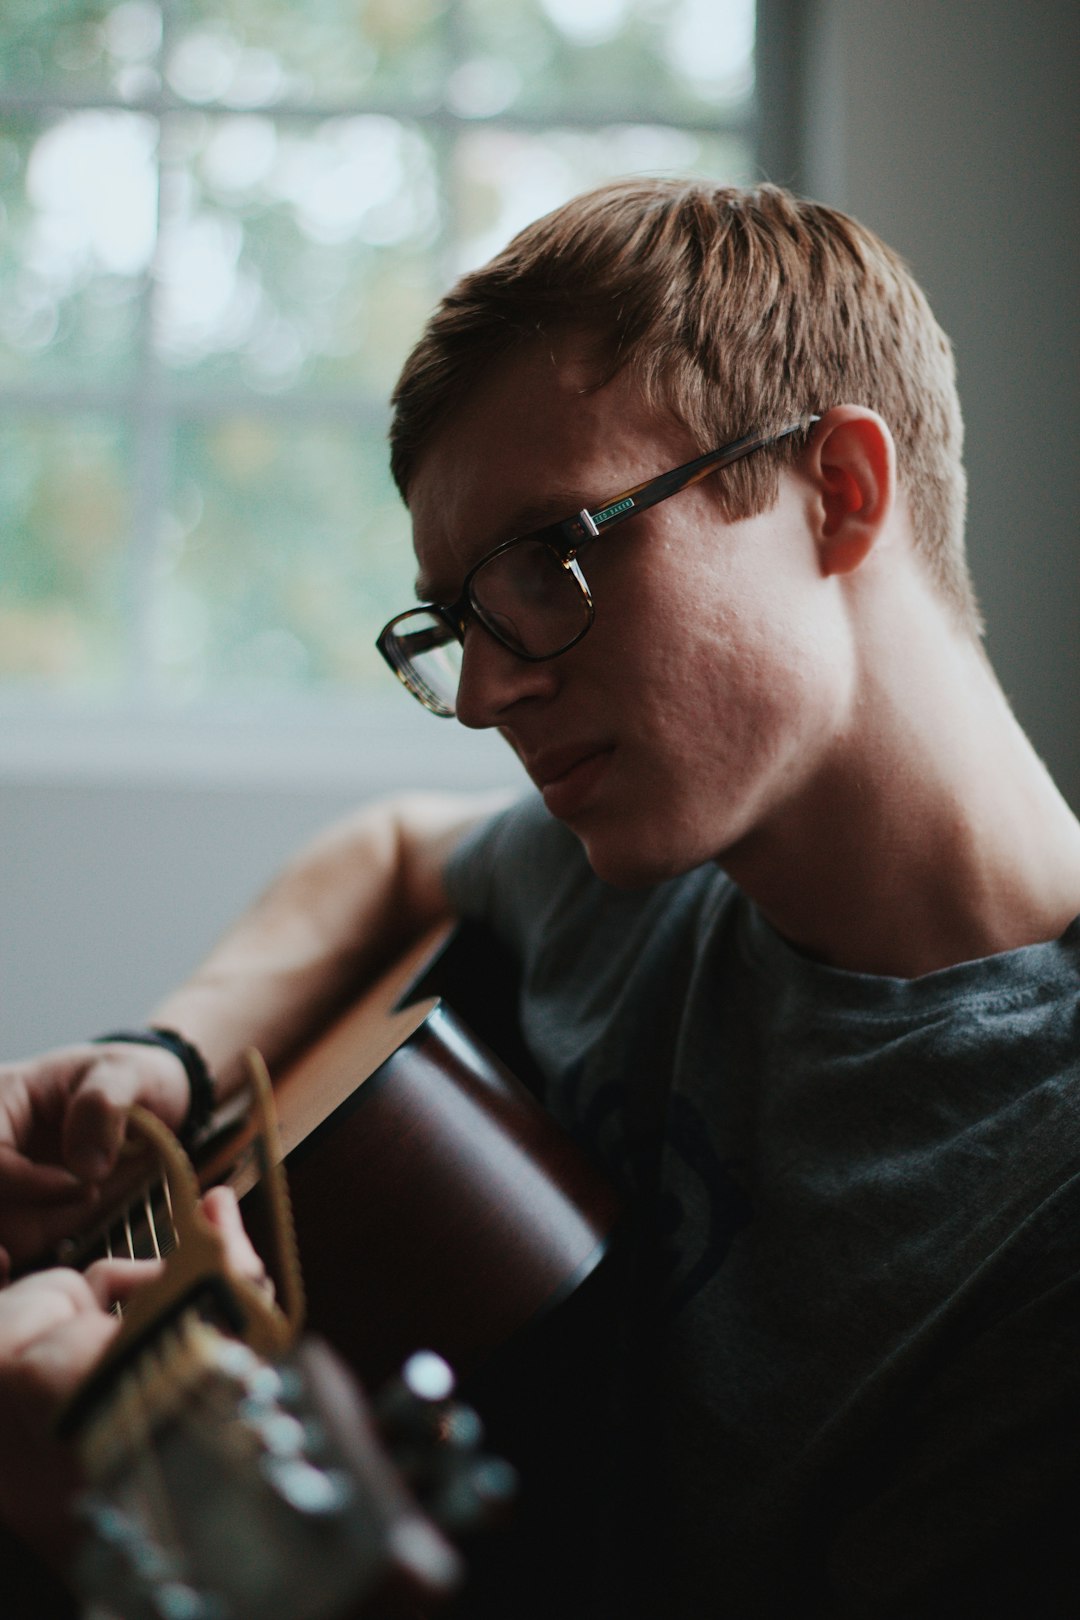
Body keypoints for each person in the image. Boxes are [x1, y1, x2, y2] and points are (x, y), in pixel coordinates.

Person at [2, 179, 1079, 1616]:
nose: (488, 693)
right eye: (456, 621)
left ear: (841, 491)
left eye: (550, 557)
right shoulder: (639, 878)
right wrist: (167, 1058)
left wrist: (189, 1522)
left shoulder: (1043, 1205)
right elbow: (392, 848)